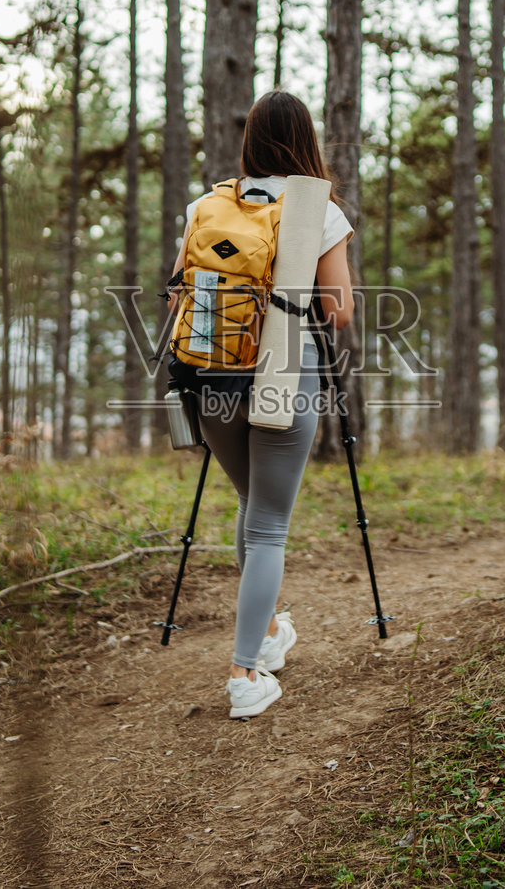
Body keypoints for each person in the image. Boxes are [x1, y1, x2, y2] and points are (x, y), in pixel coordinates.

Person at [167, 90, 355, 719]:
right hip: (279, 378)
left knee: (252, 505)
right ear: (305, 142)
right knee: (270, 523)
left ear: (249, 139)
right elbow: (339, 311)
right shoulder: (315, 209)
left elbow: (176, 298)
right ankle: (245, 674)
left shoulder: (207, 205)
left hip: (208, 378)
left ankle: (269, 637)